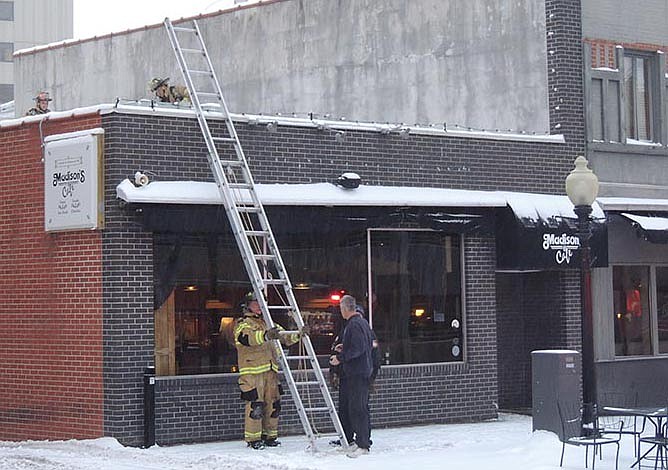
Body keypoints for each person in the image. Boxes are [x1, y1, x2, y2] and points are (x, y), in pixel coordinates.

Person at [233, 291, 302, 449]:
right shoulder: (243, 323)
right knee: (255, 407)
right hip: (252, 373)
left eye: (261, 302)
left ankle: (270, 436)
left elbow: (285, 337)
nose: (259, 306)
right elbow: (246, 339)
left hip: (271, 372)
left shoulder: (268, 323)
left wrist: (299, 334)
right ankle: (253, 439)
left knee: (273, 405)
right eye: (256, 302)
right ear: (248, 305)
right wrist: (265, 336)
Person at [329, 295, 374, 457]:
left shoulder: (354, 325)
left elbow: (358, 348)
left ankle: (363, 444)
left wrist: (340, 358)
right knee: (353, 407)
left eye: (341, 308)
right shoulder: (361, 323)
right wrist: (345, 347)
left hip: (357, 373)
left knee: (358, 408)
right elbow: (364, 345)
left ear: (345, 308)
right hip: (358, 372)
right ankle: (359, 441)